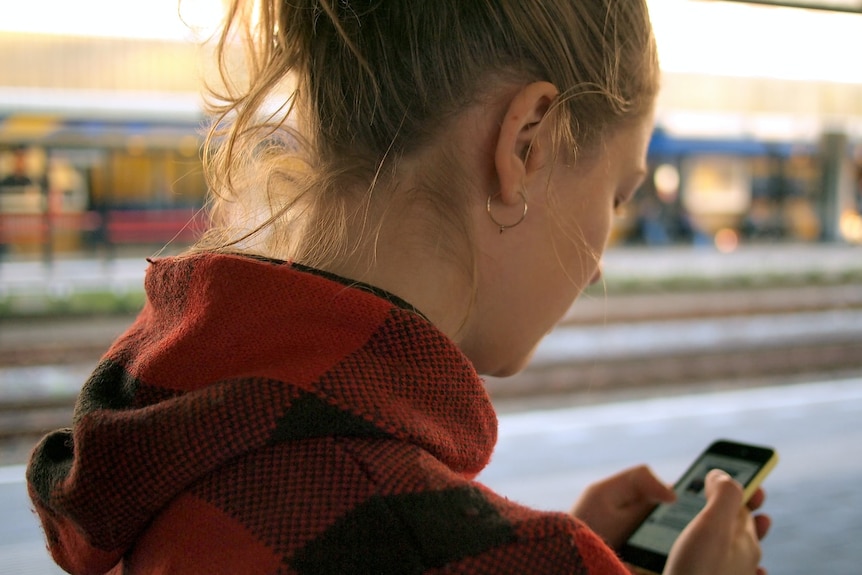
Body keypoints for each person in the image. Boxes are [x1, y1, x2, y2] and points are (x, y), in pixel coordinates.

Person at [26, 1, 771, 573]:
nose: (600, 258)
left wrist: (506, 535)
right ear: (527, 143)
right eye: (616, 193)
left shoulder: (165, 433)